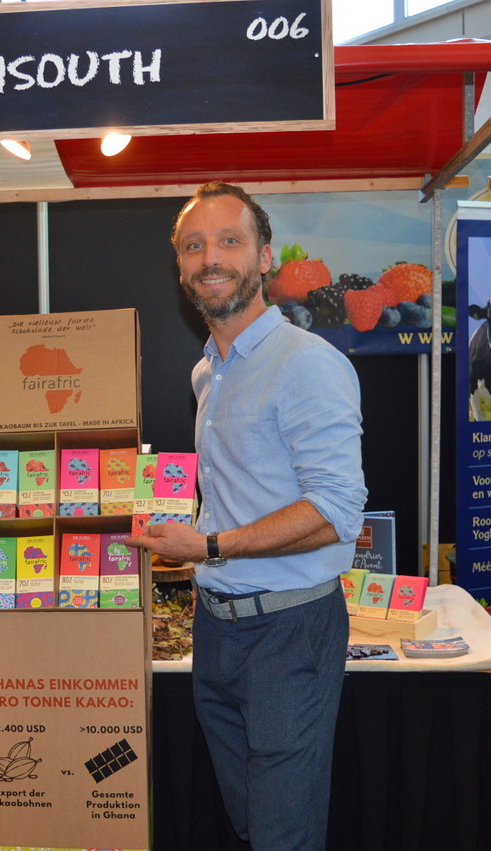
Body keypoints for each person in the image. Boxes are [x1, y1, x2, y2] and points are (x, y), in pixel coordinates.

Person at [127, 181, 366, 850]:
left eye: (229, 241)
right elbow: (237, 492)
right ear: (180, 267)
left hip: (290, 630)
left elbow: (335, 511)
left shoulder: (307, 364)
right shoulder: (209, 371)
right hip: (217, 628)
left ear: (264, 258)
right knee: (247, 823)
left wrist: (208, 545)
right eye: (194, 246)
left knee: (283, 833)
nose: (211, 258)